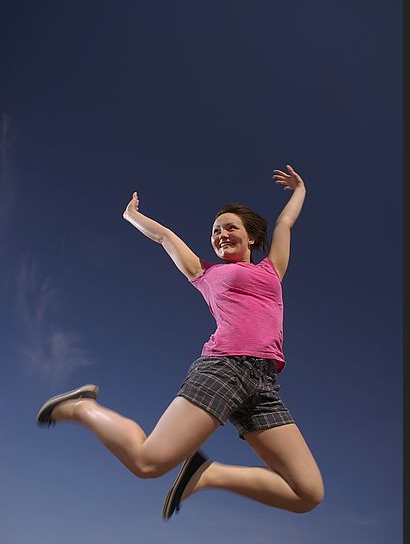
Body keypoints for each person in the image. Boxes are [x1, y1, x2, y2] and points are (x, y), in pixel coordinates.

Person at [37, 164, 324, 520]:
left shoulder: (271, 269)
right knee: (147, 462)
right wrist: (131, 216)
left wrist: (300, 190)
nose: (220, 235)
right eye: (215, 231)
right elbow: (165, 237)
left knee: (307, 493)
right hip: (225, 368)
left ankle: (209, 474)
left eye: (230, 228)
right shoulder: (205, 272)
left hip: (264, 385)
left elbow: (283, 224)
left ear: (251, 237)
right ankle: (83, 406)